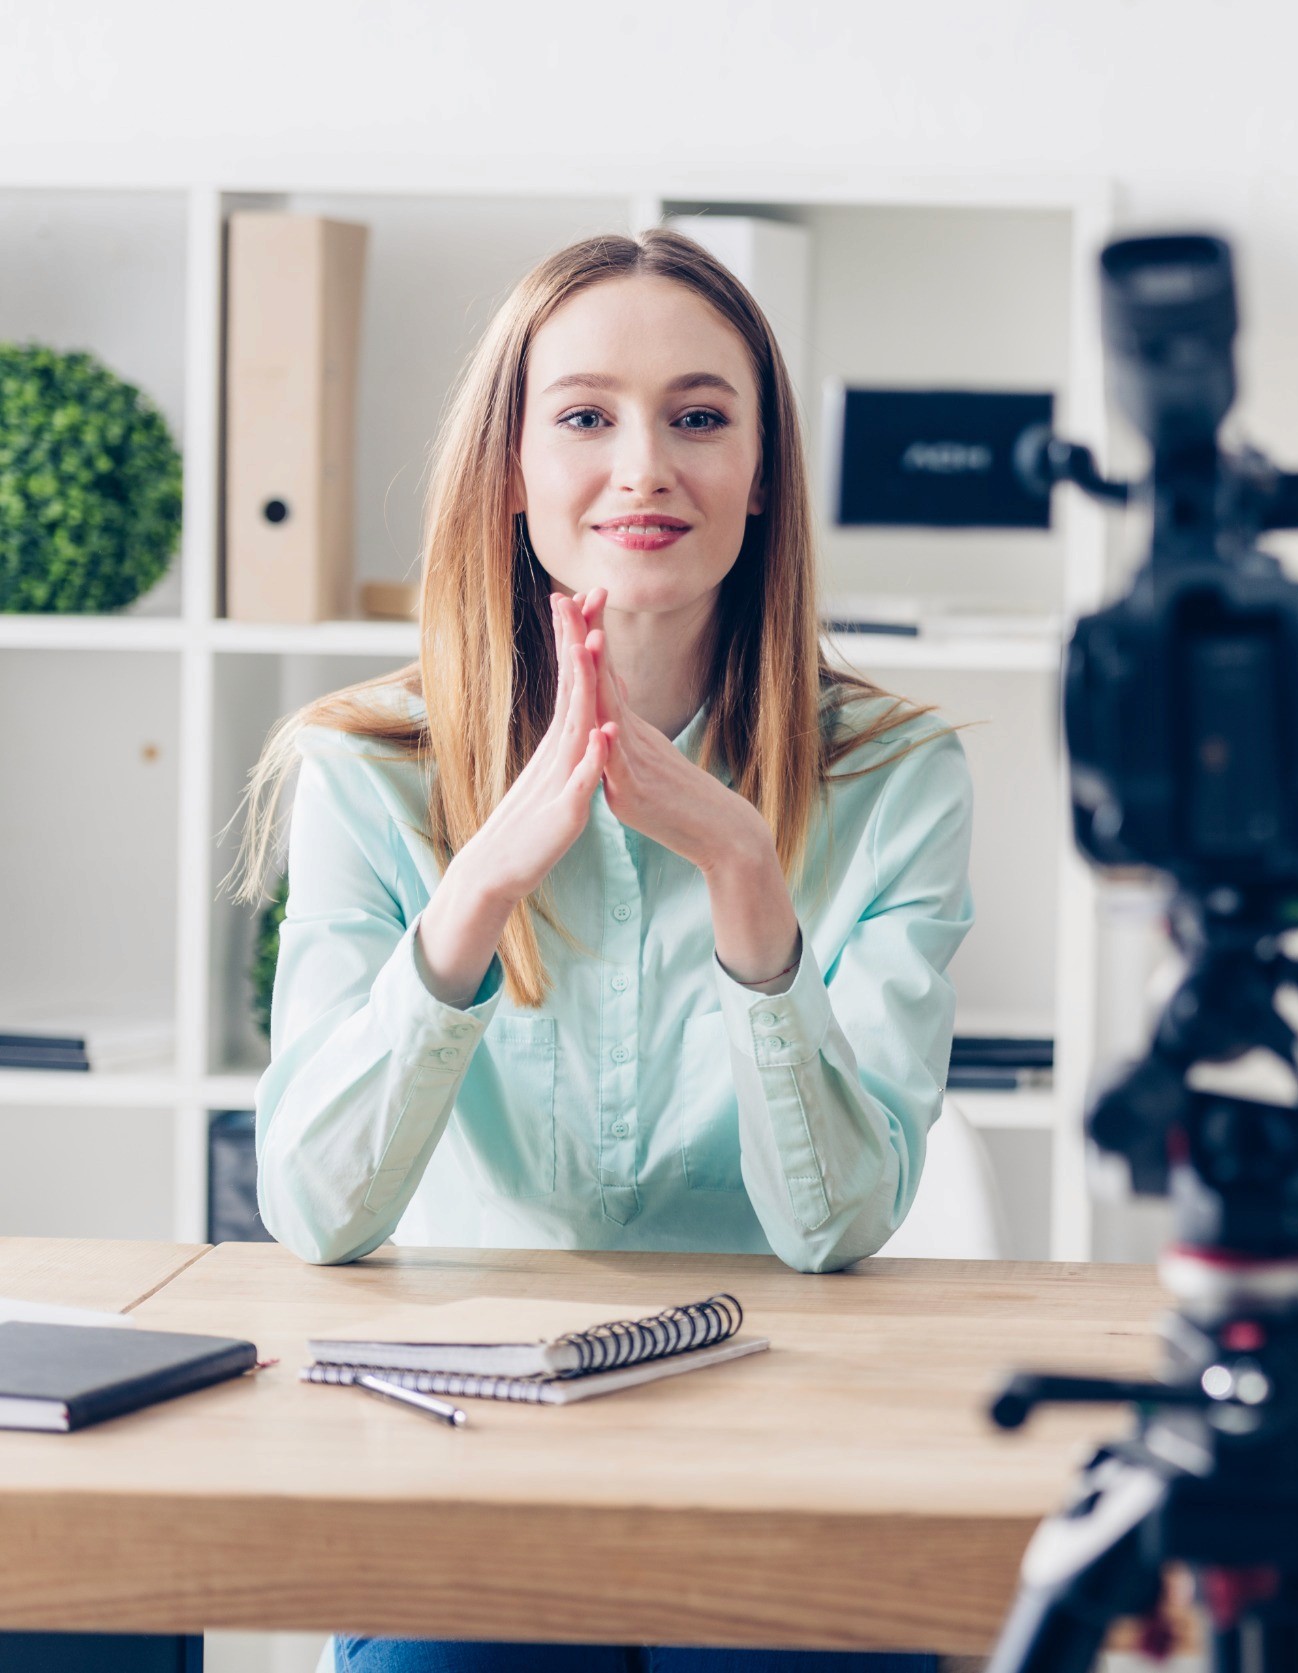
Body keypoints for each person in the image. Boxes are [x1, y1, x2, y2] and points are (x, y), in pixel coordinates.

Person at [241, 230, 966, 1671]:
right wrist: (483, 881)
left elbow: (832, 1231)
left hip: (791, 1439)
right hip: (465, 1450)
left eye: (700, 418)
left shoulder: (897, 772)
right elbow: (316, 1211)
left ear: (762, 479)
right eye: (584, 416)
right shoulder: (361, 767)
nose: (644, 467)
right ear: (511, 470)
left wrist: (747, 874)